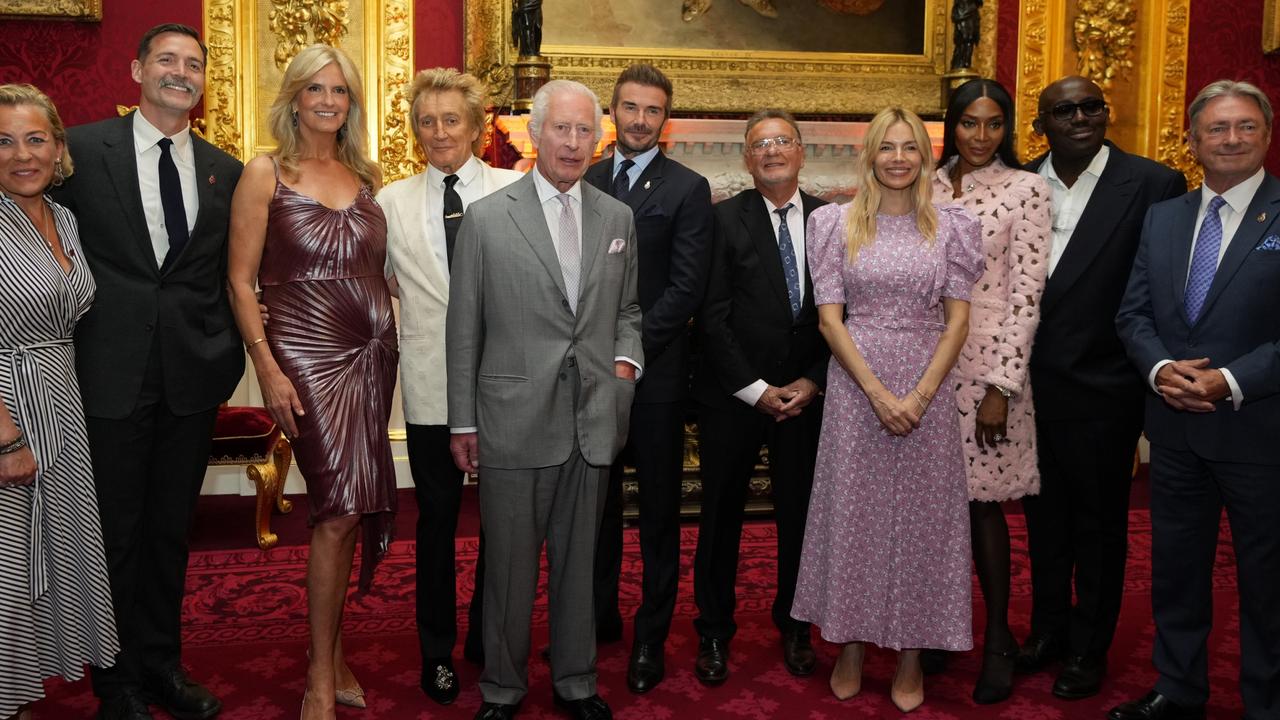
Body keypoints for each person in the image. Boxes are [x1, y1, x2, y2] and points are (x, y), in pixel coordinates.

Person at [54, 23, 243, 720]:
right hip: (107, 375)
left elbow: (229, 274)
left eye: (193, 64)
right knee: (114, 535)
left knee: (170, 530)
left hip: (191, 380)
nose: (180, 72)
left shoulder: (226, 168)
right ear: (137, 69)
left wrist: (222, 351)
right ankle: (116, 683)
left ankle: (163, 665)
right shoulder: (78, 149)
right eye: (167, 60)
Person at [446, 79, 642, 720]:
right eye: (562, 128)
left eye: (586, 130)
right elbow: (464, 327)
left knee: (579, 564)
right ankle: (502, 688)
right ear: (534, 134)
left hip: (592, 418)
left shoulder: (617, 218)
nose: (574, 142)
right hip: (511, 423)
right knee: (507, 567)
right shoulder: (487, 219)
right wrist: (463, 419)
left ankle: (576, 681)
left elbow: (629, 310)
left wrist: (624, 367)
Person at [790, 106, 984, 714]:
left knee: (925, 525)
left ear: (924, 159)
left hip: (927, 382)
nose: (898, 158)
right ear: (869, 155)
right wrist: (876, 393)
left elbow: (957, 320)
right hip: (855, 386)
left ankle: (909, 654)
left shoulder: (953, 226)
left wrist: (921, 395)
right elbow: (829, 320)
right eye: (887, 148)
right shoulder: (832, 224)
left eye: (910, 148)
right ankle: (848, 643)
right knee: (854, 516)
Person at [227, 44, 397, 720]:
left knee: (347, 505)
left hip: (371, 353)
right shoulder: (266, 171)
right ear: (294, 97)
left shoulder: (366, 175)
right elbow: (241, 281)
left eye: (341, 92)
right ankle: (320, 679)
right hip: (304, 354)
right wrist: (266, 366)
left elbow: (378, 270)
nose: (329, 101)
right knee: (337, 505)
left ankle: (328, 654)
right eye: (316, 89)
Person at [1113, 79, 1280, 720]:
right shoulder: (1165, 216)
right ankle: (1178, 690)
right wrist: (1158, 369)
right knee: (1177, 572)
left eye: (1244, 127)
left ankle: (1266, 702)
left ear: (1265, 135)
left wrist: (1231, 380)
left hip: (1258, 430)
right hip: (1176, 430)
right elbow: (1133, 314)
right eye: (1217, 128)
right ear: (1193, 141)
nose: (1230, 139)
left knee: (1267, 583)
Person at [1019, 75, 1185, 701]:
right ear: (1041, 124)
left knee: (1098, 527)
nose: (1081, 117)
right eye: (1065, 109)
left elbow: (1157, 294)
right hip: (1027, 391)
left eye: (1092, 106)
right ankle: (1048, 631)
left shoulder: (1152, 185)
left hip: (1102, 390)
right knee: (1043, 526)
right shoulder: (1020, 183)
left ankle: (1089, 648)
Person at [374, 66, 522, 705]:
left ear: (478, 126)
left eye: (451, 120)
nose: (439, 132)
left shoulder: (519, 190)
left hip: (511, 386)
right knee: (435, 523)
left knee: (505, 522)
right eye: (427, 121)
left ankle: (490, 638)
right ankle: (436, 651)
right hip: (432, 386)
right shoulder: (390, 203)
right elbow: (369, 283)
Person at [584, 63, 713, 694]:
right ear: (613, 111)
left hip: (655, 379)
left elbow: (687, 287)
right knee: (595, 510)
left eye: (652, 111)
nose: (639, 120)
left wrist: (627, 350)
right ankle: (597, 619)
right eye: (630, 108)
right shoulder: (582, 176)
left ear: (667, 120)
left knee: (659, 516)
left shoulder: (688, 188)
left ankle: (650, 640)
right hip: (586, 377)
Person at [690, 109, 829, 686]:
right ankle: (714, 630)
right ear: (746, 159)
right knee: (720, 515)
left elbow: (847, 315)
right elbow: (711, 316)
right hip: (735, 395)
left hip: (808, 395)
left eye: (782, 141)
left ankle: (796, 623)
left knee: (803, 516)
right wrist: (755, 390)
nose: (771, 151)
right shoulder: (721, 221)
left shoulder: (834, 219)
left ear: (801, 152)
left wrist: (813, 380)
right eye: (759, 144)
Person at [924, 77, 1050, 704]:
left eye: (993, 124)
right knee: (930, 507)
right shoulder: (918, 179)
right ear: (953, 123)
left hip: (987, 371)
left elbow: (1027, 296)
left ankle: (998, 637)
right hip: (920, 367)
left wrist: (1003, 384)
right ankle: (942, 631)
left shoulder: (1026, 189)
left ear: (1007, 129)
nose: (980, 136)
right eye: (969, 123)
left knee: (981, 507)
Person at [0, 83, 119, 720]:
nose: (22, 154)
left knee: (41, 559)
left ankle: (15, 696)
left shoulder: (62, 217)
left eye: (35, 138)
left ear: (58, 147)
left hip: (60, 404)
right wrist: (8, 438)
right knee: (7, 564)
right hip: (8, 409)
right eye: (3, 141)